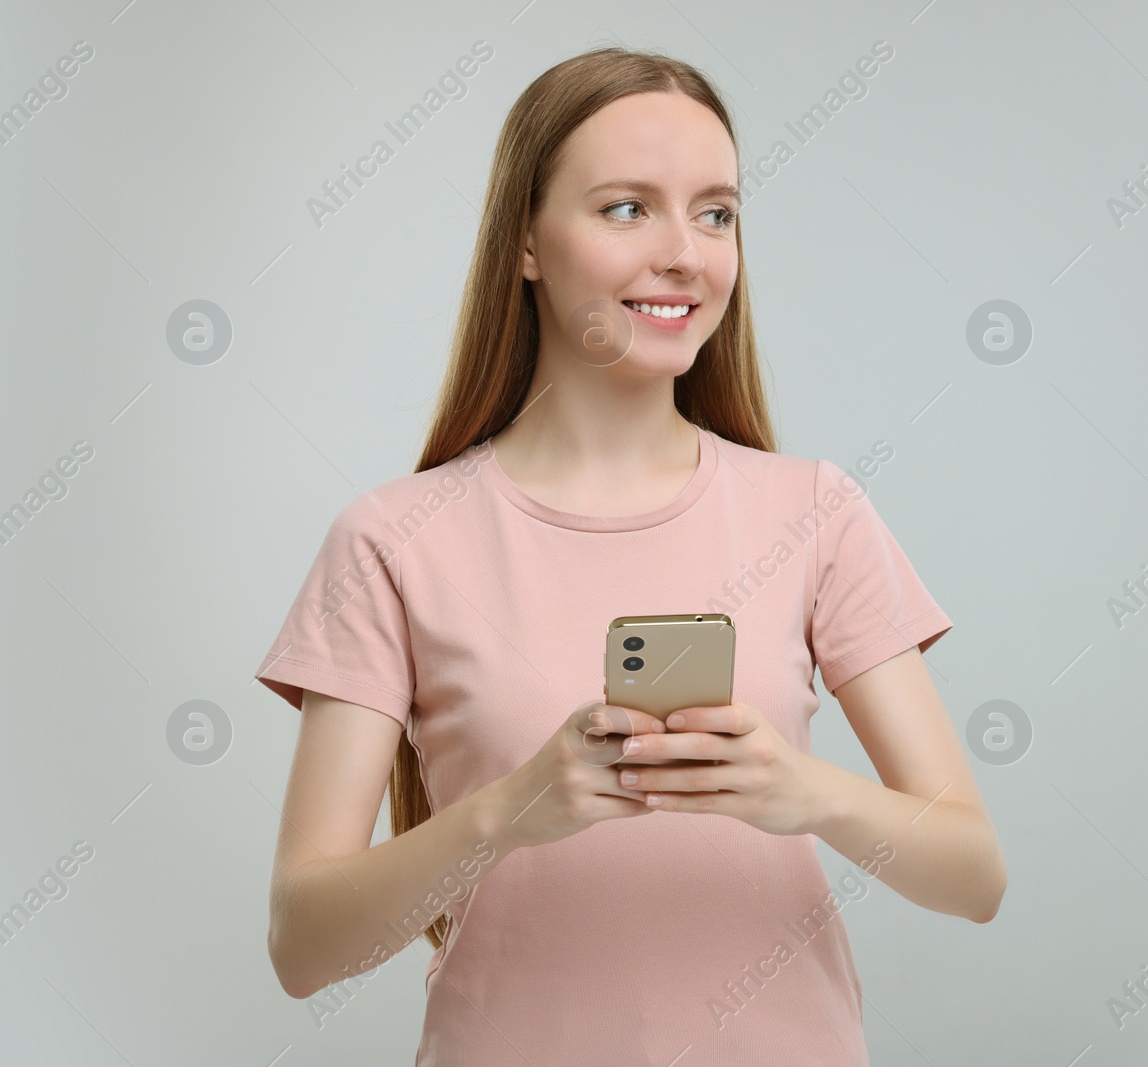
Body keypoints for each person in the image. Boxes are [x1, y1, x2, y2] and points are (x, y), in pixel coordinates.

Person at [256, 45, 1005, 1066]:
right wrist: (509, 812)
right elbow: (304, 944)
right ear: (525, 240)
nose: (686, 254)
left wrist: (802, 791)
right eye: (625, 208)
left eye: (716, 211)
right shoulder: (393, 540)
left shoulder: (816, 512)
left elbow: (973, 874)